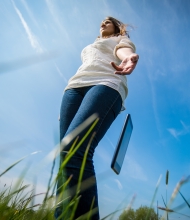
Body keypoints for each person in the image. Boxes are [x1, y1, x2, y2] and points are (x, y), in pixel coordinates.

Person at [55, 16, 139, 219]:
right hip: (74, 89)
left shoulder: (120, 40)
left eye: (108, 21)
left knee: (75, 150)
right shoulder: (90, 46)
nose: (103, 22)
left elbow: (123, 50)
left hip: (106, 83)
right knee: (65, 159)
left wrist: (127, 56)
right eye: (102, 21)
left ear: (117, 27)